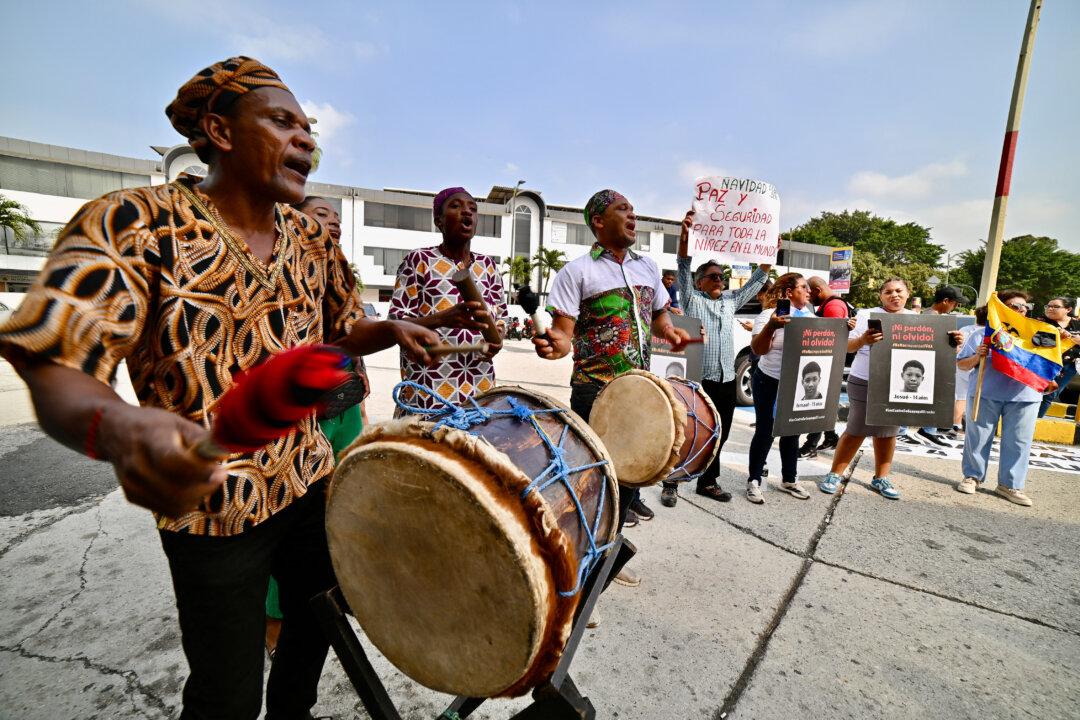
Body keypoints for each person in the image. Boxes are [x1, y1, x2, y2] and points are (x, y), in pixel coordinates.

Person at [0, 57, 440, 720]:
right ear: (220, 131)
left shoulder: (308, 239)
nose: (305, 140)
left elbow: (345, 329)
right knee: (226, 696)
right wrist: (121, 430)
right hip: (212, 512)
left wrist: (400, 326)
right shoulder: (134, 222)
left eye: (308, 129)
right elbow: (55, 357)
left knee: (313, 632)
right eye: (283, 122)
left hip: (308, 480)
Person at [534, 189, 689, 577]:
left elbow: (658, 316)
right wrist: (555, 347)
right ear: (599, 222)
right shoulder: (578, 271)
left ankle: (604, 561)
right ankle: (577, 562)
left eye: (634, 210)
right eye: (623, 209)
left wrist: (670, 331)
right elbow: (564, 335)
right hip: (593, 389)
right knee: (593, 479)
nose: (633, 216)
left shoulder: (649, 267)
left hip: (639, 390)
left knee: (631, 478)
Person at [261, 195, 370, 659]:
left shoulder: (340, 276)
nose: (334, 225)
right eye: (321, 216)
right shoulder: (280, 273)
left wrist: (362, 404)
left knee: (339, 510)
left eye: (338, 221)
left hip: (344, 415)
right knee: (291, 522)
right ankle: (273, 623)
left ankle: (330, 594)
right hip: (299, 426)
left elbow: (355, 341)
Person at [660, 209, 769, 507]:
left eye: (722, 276)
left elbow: (755, 283)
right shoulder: (693, 299)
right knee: (687, 430)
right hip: (698, 379)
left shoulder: (731, 301)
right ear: (699, 283)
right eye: (713, 276)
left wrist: (768, 254)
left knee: (719, 432)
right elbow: (683, 265)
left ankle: (708, 482)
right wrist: (685, 236)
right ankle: (671, 481)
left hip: (726, 379)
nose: (720, 280)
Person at [389, 187, 505, 410]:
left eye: (473, 208)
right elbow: (396, 323)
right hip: (428, 390)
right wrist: (442, 319)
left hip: (478, 388)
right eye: (455, 206)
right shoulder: (419, 260)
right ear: (439, 220)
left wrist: (497, 338)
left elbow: (501, 318)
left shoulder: (488, 265)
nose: (467, 212)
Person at [817, 278, 916, 500]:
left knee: (888, 432)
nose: (894, 295)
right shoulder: (865, 315)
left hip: (895, 385)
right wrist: (863, 339)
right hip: (864, 380)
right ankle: (835, 474)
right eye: (888, 291)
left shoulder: (916, 319)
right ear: (880, 295)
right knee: (856, 429)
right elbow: (847, 346)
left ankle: (881, 477)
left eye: (899, 291)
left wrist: (951, 342)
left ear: (908, 294)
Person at [955, 291, 1051, 506]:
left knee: (1018, 443)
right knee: (977, 438)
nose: (1022, 309)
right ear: (1001, 309)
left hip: (1025, 396)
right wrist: (977, 357)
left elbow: (1049, 363)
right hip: (986, 393)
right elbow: (961, 364)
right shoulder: (982, 334)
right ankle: (973, 476)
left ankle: (1010, 485)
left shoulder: (1038, 335)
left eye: (1025, 306)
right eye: (1015, 306)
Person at [744, 273, 815, 503]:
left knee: (792, 431)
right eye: (803, 287)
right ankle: (754, 480)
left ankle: (789, 479)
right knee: (765, 430)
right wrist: (772, 327)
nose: (809, 291)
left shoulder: (809, 316)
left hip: (795, 382)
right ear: (788, 293)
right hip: (768, 380)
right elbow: (758, 348)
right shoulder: (768, 315)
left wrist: (842, 329)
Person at [904, 285, 970, 446]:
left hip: (934, 365)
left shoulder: (932, 316)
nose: (955, 307)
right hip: (927, 364)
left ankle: (927, 430)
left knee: (933, 399)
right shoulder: (933, 318)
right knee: (912, 396)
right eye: (955, 303)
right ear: (946, 301)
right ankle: (907, 430)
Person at [800, 277, 855, 457]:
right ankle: (831, 437)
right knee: (823, 403)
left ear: (817, 290)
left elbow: (830, 338)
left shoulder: (833, 307)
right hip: (827, 362)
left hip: (828, 362)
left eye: (810, 292)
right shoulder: (832, 304)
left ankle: (810, 446)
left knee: (818, 404)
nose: (808, 296)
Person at [1038, 296, 1079, 417]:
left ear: (1068, 309)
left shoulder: (1078, 323)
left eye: (1055, 306)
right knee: (1034, 392)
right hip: (1042, 363)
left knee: (1050, 394)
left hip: (1068, 366)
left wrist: (1076, 340)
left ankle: (1036, 421)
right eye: (1048, 306)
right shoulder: (1040, 321)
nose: (1050, 309)